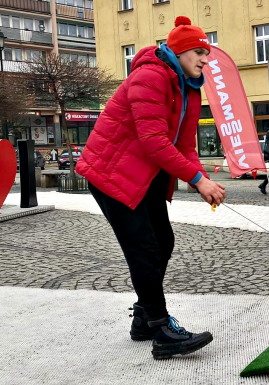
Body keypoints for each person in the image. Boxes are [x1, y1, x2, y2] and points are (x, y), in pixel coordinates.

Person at [76, 16, 225, 360]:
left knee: (163, 241)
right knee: (145, 248)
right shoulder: (150, 75)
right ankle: (161, 330)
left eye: (208, 53)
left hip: (145, 175)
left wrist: (202, 179)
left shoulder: (188, 86)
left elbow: (185, 145)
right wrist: (198, 180)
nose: (206, 59)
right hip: (112, 173)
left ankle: (144, 318)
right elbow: (153, 141)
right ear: (182, 50)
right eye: (200, 51)